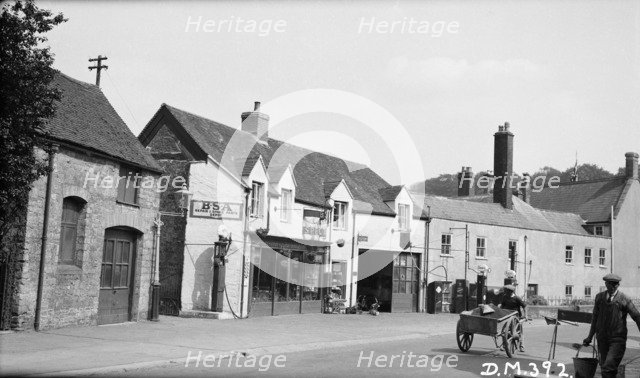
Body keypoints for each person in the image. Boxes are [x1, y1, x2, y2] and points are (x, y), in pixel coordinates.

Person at [583, 273, 640, 378]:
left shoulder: (624, 299)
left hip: (617, 340)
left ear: (618, 285)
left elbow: (637, 317)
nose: (614, 287)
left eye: (616, 284)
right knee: (606, 368)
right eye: (611, 284)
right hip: (602, 339)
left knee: (608, 368)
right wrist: (589, 337)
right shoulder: (599, 298)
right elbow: (595, 318)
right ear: (606, 284)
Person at [499, 284, 527, 352]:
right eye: (506, 291)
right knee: (504, 331)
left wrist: (525, 315)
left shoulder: (517, 298)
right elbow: (502, 305)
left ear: (511, 292)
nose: (506, 293)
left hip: (515, 317)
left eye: (507, 291)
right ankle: (504, 345)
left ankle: (521, 346)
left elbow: (524, 306)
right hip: (506, 316)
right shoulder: (505, 297)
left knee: (520, 331)